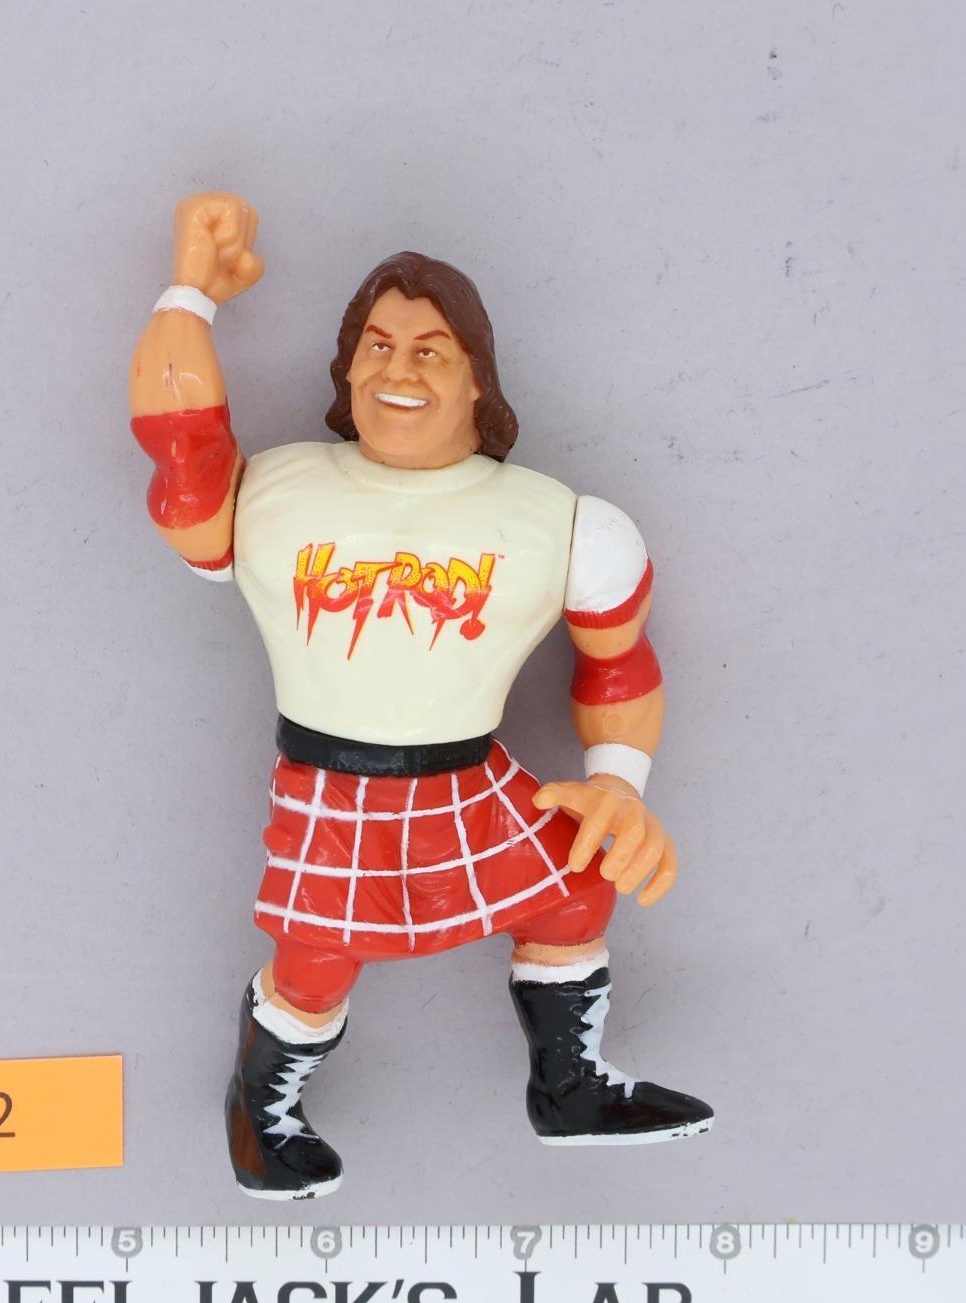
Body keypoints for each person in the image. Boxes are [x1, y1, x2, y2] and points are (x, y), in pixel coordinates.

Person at [129, 192, 713, 1200]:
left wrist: (618, 783)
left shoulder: (562, 523)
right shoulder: (273, 494)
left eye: (430, 351)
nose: (396, 372)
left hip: (470, 775)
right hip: (332, 785)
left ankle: (567, 1089)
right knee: (313, 964)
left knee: (574, 889)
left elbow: (618, 664)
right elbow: (181, 448)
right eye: (376, 346)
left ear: (478, 377)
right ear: (346, 366)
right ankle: (260, 1112)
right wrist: (190, 292)